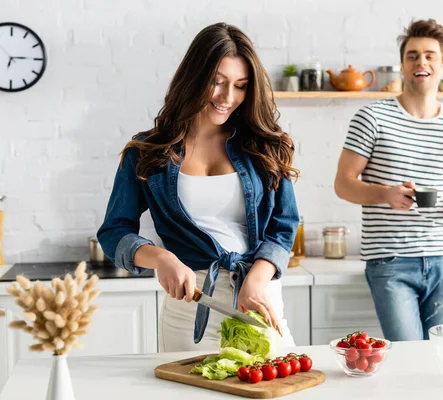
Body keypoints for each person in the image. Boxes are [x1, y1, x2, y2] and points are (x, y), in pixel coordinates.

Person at [97, 23, 299, 352]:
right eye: (217, 82)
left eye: (240, 85)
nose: (228, 97)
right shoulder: (147, 151)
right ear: (194, 79)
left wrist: (257, 279)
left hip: (257, 299)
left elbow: (284, 225)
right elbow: (113, 231)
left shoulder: (265, 144)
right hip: (189, 311)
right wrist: (162, 259)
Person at [334, 19, 443, 341]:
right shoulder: (371, 118)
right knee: (407, 352)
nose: (421, 62)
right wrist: (386, 194)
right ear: (402, 65)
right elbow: (343, 184)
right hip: (390, 258)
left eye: (430, 55)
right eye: (412, 55)